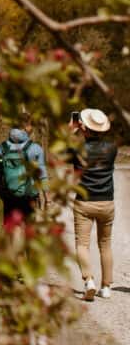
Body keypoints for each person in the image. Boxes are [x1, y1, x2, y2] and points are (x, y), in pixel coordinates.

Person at [70, 106, 118, 300]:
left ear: (84, 128)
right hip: (107, 202)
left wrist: (71, 130)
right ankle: (106, 287)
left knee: (82, 244)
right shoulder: (112, 148)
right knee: (105, 244)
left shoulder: (77, 149)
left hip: (84, 203)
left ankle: (88, 280)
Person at [0, 125, 46, 237]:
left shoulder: (2, 148)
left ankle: (15, 252)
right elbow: (42, 174)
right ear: (26, 127)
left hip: (9, 196)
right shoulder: (35, 148)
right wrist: (47, 198)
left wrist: (1, 191)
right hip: (29, 196)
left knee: (11, 231)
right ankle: (30, 252)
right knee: (30, 231)